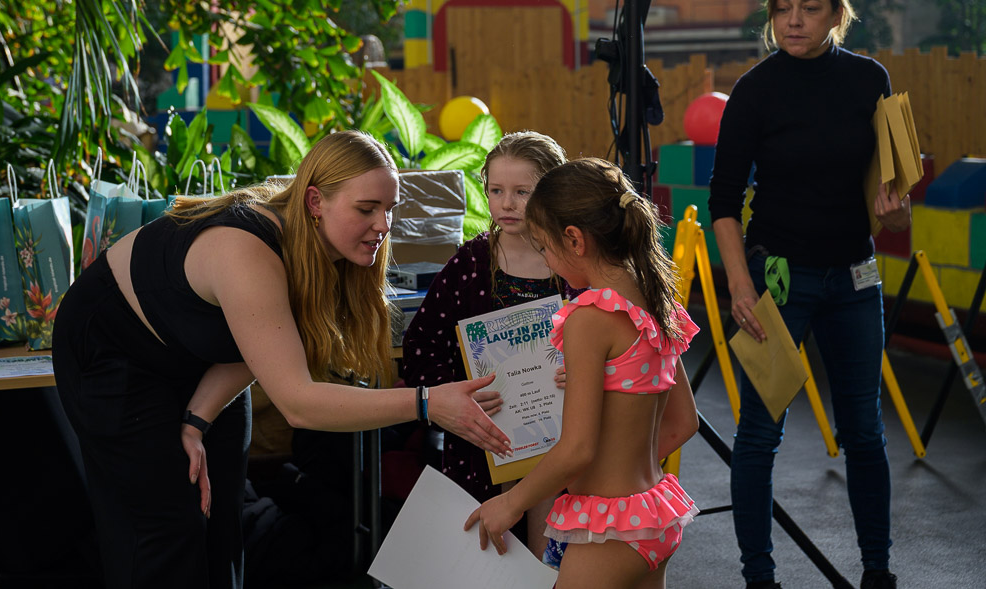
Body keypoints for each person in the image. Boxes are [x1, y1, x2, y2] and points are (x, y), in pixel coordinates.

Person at [52, 130, 511, 589]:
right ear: (315, 201)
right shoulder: (248, 250)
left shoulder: (321, 248)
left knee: (221, 520)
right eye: (366, 209)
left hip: (196, 351)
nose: (383, 225)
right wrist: (426, 403)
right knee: (166, 528)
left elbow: (256, 343)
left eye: (389, 209)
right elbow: (298, 402)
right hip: (114, 348)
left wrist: (196, 421)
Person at [709, 0, 910, 589]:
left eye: (810, 8)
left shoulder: (870, 80)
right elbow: (723, 201)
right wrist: (740, 285)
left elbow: (895, 206)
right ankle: (759, 577)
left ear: (836, 14)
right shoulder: (754, 89)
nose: (793, 21)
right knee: (759, 434)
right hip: (777, 282)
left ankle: (877, 571)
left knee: (865, 433)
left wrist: (896, 209)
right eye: (783, 9)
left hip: (855, 279)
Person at [465, 157, 700, 589]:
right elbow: (684, 422)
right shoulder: (655, 301)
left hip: (610, 527)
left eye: (544, 247)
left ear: (574, 239)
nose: (546, 259)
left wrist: (511, 503)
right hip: (654, 513)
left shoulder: (589, 318)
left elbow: (577, 450)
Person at [401, 130, 573, 561]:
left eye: (522, 192)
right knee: (493, 559)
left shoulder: (575, 263)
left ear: (551, 193)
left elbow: (613, 341)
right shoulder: (471, 262)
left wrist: (586, 372)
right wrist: (456, 396)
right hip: (485, 441)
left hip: (566, 438)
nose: (506, 203)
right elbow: (421, 346)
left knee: (553, 559)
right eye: (496, 190)